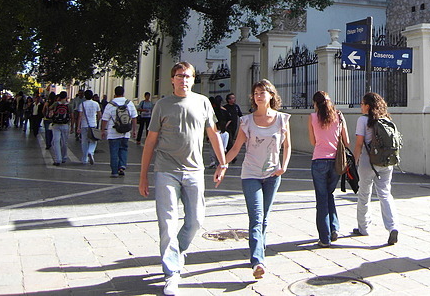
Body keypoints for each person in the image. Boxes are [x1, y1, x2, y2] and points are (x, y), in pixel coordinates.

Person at [140, 61, 227, 296]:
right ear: (172, 79)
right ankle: (171, 273)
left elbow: (213, 133)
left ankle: (177, 251)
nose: (184, 80)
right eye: (179, 76)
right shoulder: (162, 105)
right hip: (165, 170)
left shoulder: (202, 103)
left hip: (194, 171)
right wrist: (143, 176)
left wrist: (222, 162)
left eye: (188, 76)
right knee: (167, 223)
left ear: (193, 79)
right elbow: (150, 142)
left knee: (196, 219)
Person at [217, 79, 291, 280]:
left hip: (273, 175)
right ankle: (257, 261)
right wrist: (222, 165)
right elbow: (235, 147)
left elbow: (287, 146)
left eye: (262, 92)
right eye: (256, 93)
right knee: (256, 218)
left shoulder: (282, 119)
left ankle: (260, 252)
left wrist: (283, 166)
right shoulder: (246, 121)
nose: (258, 96)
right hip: (250, 174)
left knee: (265, 218)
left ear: (271, 95)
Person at [353, 92, 399, 246]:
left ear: (368, 106)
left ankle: (363, 228)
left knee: (364, 194)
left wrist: (354, 160)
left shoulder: (363, 120)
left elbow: (359, 143)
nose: (360, 106)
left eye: (362, 103)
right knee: (385, 193)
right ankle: (393, 226)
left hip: (368, 162)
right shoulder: (386, 119)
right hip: (386, 162)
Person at [308, 91, 350, 247]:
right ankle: (334, 228)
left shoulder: (312, 118)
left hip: (319, 160)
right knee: (329, 193)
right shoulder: (338, 116)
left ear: (315, 103)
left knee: (321, 199)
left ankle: (324, 238)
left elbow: (313, 141)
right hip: (336, 162)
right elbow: (347, 141)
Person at [101, 86, 138, 178]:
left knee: (114, 151)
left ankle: (114, 172)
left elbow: (105, 119)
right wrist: (134, 130)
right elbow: (134, 117)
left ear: (115, 93)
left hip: (113, 133)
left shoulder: (110, 105)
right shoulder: (129, 103)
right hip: (125, 132)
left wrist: (102, 130)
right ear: (123, 93)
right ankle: (122, 166)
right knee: (123, 149)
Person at [49, 91, 72, 165]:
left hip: (56, 124)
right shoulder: (69, 105)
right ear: (66, 97)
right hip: (65, 125)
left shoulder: (56, 104)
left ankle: (58, 159)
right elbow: (72, 116)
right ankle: (64, 157)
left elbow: (50, 108)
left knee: (56, 141)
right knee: (64, 142)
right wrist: (72, 126)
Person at [78, 90, 101, 165]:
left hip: (84, 125)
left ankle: (84, 159)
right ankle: (90, 152)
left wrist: (78, 126)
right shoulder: (96, 104)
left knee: (84, 141)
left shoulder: (82, 104)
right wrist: (97, 121)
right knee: (93, 140)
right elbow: (99, 115)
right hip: (93, 124)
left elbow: (80, 116)